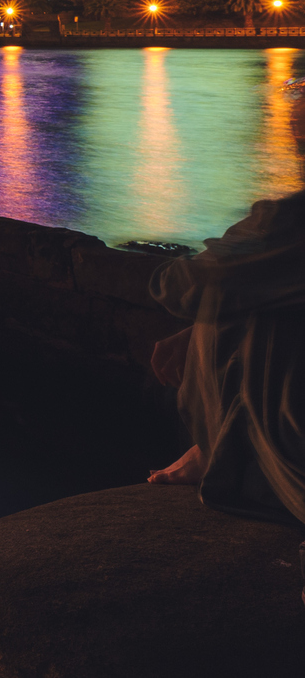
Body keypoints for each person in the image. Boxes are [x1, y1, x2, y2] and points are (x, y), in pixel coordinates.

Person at [144, 190, 305, 531]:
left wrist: (252, 238)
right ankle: (221, 447)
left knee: (233, 298)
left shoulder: (291, 219)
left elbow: (177, 284)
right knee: (256, 296)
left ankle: (224, 452)